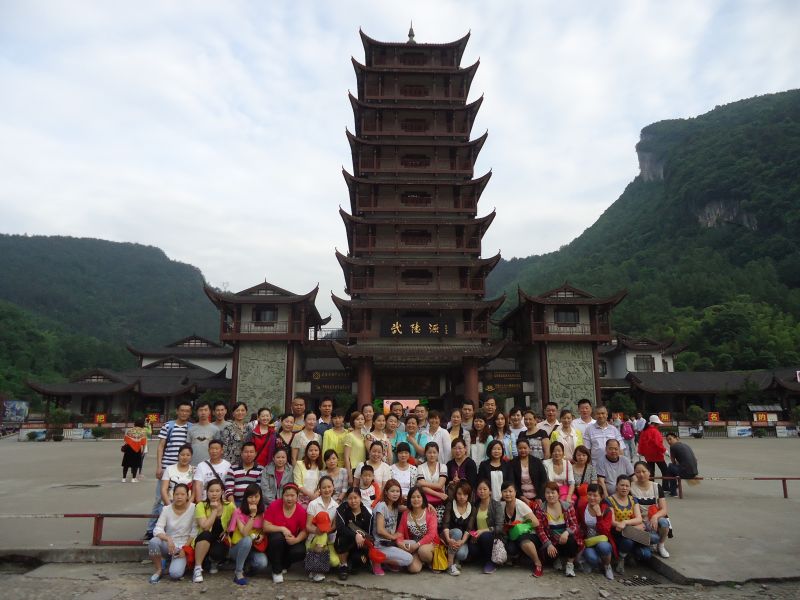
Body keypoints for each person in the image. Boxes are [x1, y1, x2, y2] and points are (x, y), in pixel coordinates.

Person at [146, 400, 192, 539]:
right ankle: (151, 529)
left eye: (187, 411)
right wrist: (159, 466)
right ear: (177, 411)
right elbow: (161, 446)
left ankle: (176, 528)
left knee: (182, 498)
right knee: (160, 499)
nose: (184, 413)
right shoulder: (168, 426)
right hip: (167, 467)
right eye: (182, 410)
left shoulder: (191, 427)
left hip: (184, 469)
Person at [148, 483, 197, 583]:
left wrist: (185, 548)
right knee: (153, 542)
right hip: (169, 544)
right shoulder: (166, 509)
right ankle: (159, 570)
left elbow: (194, 531)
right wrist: (168, 538)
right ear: (172, 495)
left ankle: (176, 562)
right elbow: (157, 529)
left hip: (183, 546)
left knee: (175, 574)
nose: (179, 497)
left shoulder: (193, 508)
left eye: (182, 494)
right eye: (177, 494)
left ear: (187, 496)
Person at [535, 481, 583, 577]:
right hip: (552, 541)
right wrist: (548, 544)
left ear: (558, 493)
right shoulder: (540, 509)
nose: (550, 495)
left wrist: (567, 532)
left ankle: (570, 565)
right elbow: (539, 529)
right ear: (544, 494)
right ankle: (556, 559)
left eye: (553, 492)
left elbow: (575, 525)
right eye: (547, 493)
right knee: (547, 554)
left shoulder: (567, 506)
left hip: (564, 540)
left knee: (571, 541)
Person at [263, 483, 308, 583]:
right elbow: (265, 527)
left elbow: (305, 531)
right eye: (287, 495)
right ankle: (276, 571)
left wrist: (296, 540)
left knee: (300, 551)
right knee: (277, 538)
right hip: (274, 542)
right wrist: (282, 529)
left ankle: (284, 565)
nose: (289, 498)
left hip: (290, 541)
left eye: (292, 495)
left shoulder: (300, 510)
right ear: (282, 496)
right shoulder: (274, 505)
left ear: (297, 497)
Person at [226, 483, 269, 585]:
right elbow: (244, 533)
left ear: (260, 497)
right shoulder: (238, 512)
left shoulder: (263, 513)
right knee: (247, 540)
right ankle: (238, 572)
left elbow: (264, 530)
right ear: (246, 498)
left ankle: (247, 568)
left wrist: (262, 536)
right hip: (237, 548)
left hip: (254, 548)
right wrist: (253, 515)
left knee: (262, 563)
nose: (253, 500)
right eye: (250, 497)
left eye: (256, 496)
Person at [192, 478, 234, 583]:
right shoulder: (201, 505)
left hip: (220, 540)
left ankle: (212, 561)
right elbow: (205, 526)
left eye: (217, 491)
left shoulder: (229, 506)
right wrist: (214, 510)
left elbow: (236, 520)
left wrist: (228, 530)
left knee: (217, 553)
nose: (214, 494)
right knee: (206, 534)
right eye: (211, 491)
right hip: (204, 539)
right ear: (207, 492)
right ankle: (197, 568)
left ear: (222, 492)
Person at [371, 479, 416, 575]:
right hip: (380, 545)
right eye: (392, 491)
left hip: (390, 543)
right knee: (408, 559)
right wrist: (393, 537)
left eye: (397, 491)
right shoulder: (381, 506)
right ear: (386, 492)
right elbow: (380, 530)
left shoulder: (395, 506)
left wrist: (427, 505)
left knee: (413, 543)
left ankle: (390, 562)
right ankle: (376, 559)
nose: (395, 494)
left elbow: (411, 507)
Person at [500, 480, 543, 577]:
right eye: (505, 491)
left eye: (510, 491)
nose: (508, 494)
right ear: (501, 493)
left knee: (522, 539)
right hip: (513, 535)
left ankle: (538, 563)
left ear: (515, 492)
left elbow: (536, 522)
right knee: (510, 548)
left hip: (530, 535)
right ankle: (519, 557)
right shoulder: (502, 505)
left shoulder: (520, 505)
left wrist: (520, 524)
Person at [606, 474, 647, 574]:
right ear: (616, 486)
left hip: (631, 530)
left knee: (652, 543)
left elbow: (639, 518)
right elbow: (612, 522)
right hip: (618, 532)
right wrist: (633, 526)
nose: (624, 488)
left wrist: (625, 523)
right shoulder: (609, 500)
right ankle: (621, 558)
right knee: (628, 541)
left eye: (627, 486)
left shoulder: (633, 499)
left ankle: (631, 553)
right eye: (622, 485)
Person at [631, 461, 671, 558]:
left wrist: (655, 516)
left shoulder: (656, 486)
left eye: (644, 471)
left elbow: (664, 509)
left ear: (649, 472)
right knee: (653, 541)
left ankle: (661, 545)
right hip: (639, 522)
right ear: (634, 473)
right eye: (638, 472)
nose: (641, 474)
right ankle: (646, 544)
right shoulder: (631, 487)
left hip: (653, 520)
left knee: (664, 522)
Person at [577, 483, 615, 580]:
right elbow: (577, 524)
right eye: (589, 494)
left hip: (602, 540)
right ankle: (596, 563)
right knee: (592, 558)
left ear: (601, 497)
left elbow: (605, 531)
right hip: (588, 541)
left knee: (604, 547)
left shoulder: (607, 510)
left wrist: (599, 515)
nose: (592, 498)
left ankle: (607, 566)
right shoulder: (582, 507)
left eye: (595, 495)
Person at [305, 475, 340, 582]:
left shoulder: (336, 506)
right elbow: (308, 526)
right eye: (324, 487)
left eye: (329, 487)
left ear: (333, 487)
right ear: (319, 489)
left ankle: (312, 565)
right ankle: (318, 571)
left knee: (335, 562)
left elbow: (334, 526)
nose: (327, 490)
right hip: (313, 540)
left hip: (328, 541)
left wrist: (326, 530)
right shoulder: (313, 504)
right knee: (322, 535)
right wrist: (317, 531)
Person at [397, 486, 440, 571]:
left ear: (423, 498)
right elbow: (400, 533)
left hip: (430, 543)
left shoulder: (430, 512)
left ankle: (430, 562)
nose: (416, 499)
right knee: (413, 569)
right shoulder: (406, 514)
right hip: (415, 544)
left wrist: (417, 545)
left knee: (423, 551)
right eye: (413, 497)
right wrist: (399, 543)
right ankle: (421, 560)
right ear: (409, 499)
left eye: (418, 497)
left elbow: (431, 535)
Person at [334, 487, 372, 580]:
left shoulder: (366, 513)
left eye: (355, 498)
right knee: (342, 538)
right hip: (345, 542)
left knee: (358, 562)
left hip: (359, 544)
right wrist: (355, 535)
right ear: (347, 499)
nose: (353, 501)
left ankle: (351, 562)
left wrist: (361, 538)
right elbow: (340, 528)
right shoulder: (342, 509)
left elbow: (369, 534)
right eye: (350, 498)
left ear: (360, 498)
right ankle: (343, 565)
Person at [441, 480, 475, 576]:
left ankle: (455, 560)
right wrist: (448, 539)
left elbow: (469, 528)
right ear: (455, 494)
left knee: (462, 555)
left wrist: (462, 541)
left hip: (461, 539)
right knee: (457, 532)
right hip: (448, 536)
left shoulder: (472, 508)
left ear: (468, 495)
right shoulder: (450, 504)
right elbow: (446, 524)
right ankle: (450, 565)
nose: (462, 497)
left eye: (465, 494)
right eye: (459, 494)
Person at [471, 479, 504, 573]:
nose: (482, 491)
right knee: (472, 549)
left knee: (485, 536)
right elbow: (471, 523)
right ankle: (484, 558)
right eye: (480, 489)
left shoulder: (496, 505)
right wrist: (473, 534)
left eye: (485, 489)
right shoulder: (475, 505)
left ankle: (490, 562)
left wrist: (483, 530)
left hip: (492, 537)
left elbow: (499, 527)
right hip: (478, 537)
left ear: (490, 491)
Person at [510, 437, 548, 506]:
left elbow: (544, 480)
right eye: (520, 448)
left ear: (529, 448)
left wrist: (539, 497)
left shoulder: (537, 462)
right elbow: (512, 483)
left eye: (525, 448)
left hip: (538, 497)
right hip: (520, 497)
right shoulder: (512, 463)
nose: (523, 450)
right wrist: (522, 497)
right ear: (517, 449)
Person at [638, 415, 670, 490]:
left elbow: (641, 443)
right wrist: (664, 450)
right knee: (665, 471)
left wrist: (640, 452)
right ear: (655, 423)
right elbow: (658, 444)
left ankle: (651, 487)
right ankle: (665, 488)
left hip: (648, 455)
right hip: (657, 454)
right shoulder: (655, 431)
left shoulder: (644, 431)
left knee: (651, 472)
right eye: (658, 424)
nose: (659, 425)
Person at [416, 442, 448, 509]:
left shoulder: (443, 466)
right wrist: (438, 494)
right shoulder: (420, 467)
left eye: (434, 452)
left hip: (440, 502)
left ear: (438, 453)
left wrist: (423, 483)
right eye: (429, 452)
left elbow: (440, 486)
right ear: (425, 453)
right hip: (425, 502)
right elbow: (423, 488)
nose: (432, 455)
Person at [188, 401, 220, 466]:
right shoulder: (191, 429)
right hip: (193, 464)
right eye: (201, 410)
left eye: (206, 410)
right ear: (197, 412)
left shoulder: (215, 429)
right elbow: (188, 448)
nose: (203, 412)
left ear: (209, 412)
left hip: (210, 465)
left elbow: (218, 449)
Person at [295, 440, 323, 507]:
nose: (313, 453)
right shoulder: (299, 464)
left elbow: (322, 483)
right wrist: (310, 495)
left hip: (316, 498)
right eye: (311, 450)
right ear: (306, 452)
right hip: (301, 499)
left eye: (316, 450)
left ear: (319, 452)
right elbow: (298, 483)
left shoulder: (321, 466)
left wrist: (316, 494)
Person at [572, 445, 597, 513]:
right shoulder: (570, 468)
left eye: (584, 455)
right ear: (575, 456)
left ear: (587, 456)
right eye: (579, 455)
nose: (581, 457)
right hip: (574, 496)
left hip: (588, 497)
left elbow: (594, 485)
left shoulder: (591, 469)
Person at [343, 411, 366, 484]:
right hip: (353, 469)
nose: (360, 421)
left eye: (362, 419)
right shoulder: (349, 436)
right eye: (357, 419)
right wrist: (349, 475)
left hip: (363, 469)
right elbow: (346, 457)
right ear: (353, 421)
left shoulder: (364, 436)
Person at [122, 419, 147, 483]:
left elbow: (126, 440)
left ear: (135, 423)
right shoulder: (143, 431)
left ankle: (123, 478)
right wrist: (143, 451)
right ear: (142, 424)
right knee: (135, 464)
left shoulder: (130, 430)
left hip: (128, 449)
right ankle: (133, 479)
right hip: (137, 449)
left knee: (126, 464)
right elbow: (144, 442)